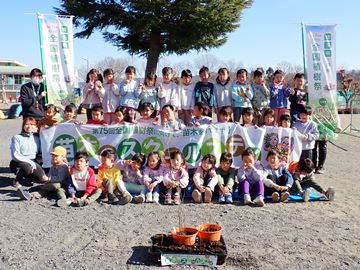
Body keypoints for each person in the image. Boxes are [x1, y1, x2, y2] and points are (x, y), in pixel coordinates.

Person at [10, 117, 47, 188]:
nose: (29, 127)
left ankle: (28, 178)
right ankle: (17, 180)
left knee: (43, 179)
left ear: (35, 126)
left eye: (32, 124)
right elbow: (15, 155)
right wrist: (31, 162)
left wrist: (39, 132)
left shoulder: (37, 137)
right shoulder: (17, 138)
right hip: (18, 162)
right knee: (27, 167)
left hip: (33, 161)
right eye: (27, 124)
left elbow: (41, 152)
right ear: (23, 126)